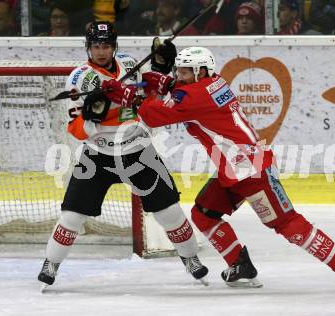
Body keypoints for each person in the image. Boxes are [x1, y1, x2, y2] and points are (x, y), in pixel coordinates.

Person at [101, 47, 335, 294]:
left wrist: (130, 96)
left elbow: (154, 114)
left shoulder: (195, 95)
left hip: (251, 171)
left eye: (185, 71)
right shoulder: (212, 83)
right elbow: (183, 95)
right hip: (232, 170)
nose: (180, 74)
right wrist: (168, 82)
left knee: (287, 223)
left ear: (201, 71)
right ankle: (240, 265)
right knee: (203, 214)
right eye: (179, 70)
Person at [37, 21, 208, 288]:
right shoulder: (79, 79)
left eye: (106, 45)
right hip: (98, 155)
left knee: (169, 212)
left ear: (114, 46)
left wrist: (161, 66)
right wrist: (93, 118)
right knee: (72, 216)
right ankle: (52, 262)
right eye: (95, 46)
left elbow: (154, 91)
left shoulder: (130, 65)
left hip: (138, 150)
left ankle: (190, 258)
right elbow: (76, 130)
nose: (101, 51)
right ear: (88, 47)